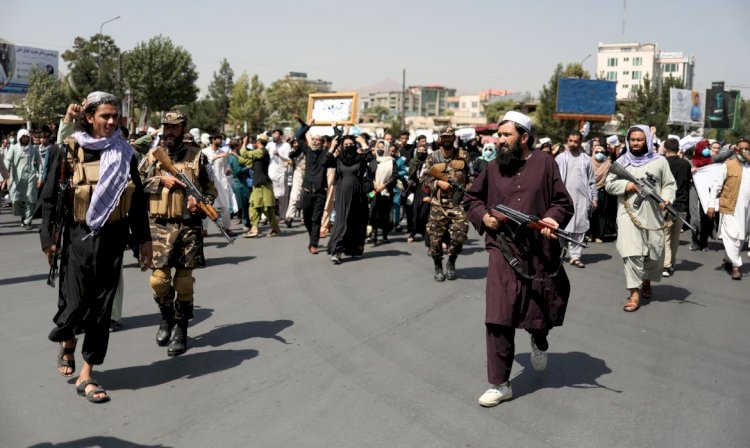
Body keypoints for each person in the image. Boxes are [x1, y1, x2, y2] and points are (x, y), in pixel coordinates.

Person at [40, 92, 152, 403]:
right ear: (90, 117)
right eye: (105, 115)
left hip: (113, 239)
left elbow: (138, 201)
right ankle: (67, 341)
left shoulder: (125, 153)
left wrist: (144, 240)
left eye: (115, 116)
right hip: (78, 238)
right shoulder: (71, 150)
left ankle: (87, 375)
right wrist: (47, 239)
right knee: (74, 306)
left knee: (101, 312)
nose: (112, 121)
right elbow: (51, 198)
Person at [463, 111, 573, 407]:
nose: (500, 140)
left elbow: (562, 202)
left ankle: (539, 339)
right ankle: (500, 384)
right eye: (499, 135)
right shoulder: (491, 167)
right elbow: (471, 199)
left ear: (524, 137)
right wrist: (484, 217)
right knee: (498, 315)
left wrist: (551, 220)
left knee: (538, 311)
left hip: (538, 250)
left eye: (506, 135)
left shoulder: (545, 163)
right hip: (502, 249)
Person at [139, 110, 216, 357]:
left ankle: (181, 330)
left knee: (183, 283)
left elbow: (210, 189)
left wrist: (201, 202)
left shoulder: (198, 158)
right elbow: (134, 184)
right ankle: (166, 317)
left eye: (174, 127)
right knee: (159, 282)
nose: (169, 131)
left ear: (184, 129)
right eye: (166, 127)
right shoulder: (152, 157)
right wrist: (160, 180)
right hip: (158, 227)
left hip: (187, 228)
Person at [605, 125, 676, 312]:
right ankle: (634, 293)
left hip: (653, 214)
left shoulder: (660, 161)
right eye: (632, 139)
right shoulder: (621, 162)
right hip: (627, 214)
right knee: (630, 252)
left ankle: (646, 280)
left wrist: (667, 198)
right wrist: (628, 185)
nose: (635, 143)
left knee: (654, 253)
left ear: (647, 140)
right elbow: (609, 184)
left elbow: (669, 184)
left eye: (639, 139)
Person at [420, 127, 470, 281]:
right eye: (444, 137)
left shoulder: (463, 156)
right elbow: (423, 179)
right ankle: (438, 266)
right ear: (440, 139)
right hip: (438, 205)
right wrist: (438, 184)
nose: (447, 139)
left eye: (450, 136)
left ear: (454, 137)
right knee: (435, 240)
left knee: (460, 235)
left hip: (457, 204)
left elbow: (473, 177)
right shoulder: (432, 157)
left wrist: (466, 191)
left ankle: (451, 262)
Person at [288, 117, 336, 254]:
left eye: (318, 140)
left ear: (322, 143)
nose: (315, 141)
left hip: (320, 192)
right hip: (307, 191)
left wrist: (335, 127)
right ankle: (313, 236)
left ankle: (313, 244)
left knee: (316, 219)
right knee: (307, 218)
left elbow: (337, 140)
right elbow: (298, 136)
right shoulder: (307, 150)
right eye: (313, 139)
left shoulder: (326, 155)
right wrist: (307, 125)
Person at [709, 139, 750, 280]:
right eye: (741, 148)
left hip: (746, 210)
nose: (743, 151)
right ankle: (736, 266)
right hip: (729, 206)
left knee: (739, 238)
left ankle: (728, 259)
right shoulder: (728, 165)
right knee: (731, 235)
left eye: (747, 149)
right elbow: (716, 186)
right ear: (735, 149)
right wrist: (711, 205)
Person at [327, 135, 371, 263]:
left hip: (358, 194)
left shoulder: (360, 158)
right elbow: (326, 162)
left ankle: (354, 249)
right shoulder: (338, 159)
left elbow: (371, 158)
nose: (348, 146)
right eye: (345, 144)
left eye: (350, 143)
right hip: (342, 193)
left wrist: (363, 143)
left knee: (355, 221)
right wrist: (332, 147)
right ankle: (337, 252)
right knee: (342, 221)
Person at [555, 131, 596, 267]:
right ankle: (558, 254)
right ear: (567, 140)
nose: (573, 144)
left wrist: (594, 197)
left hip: (582, 199)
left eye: (576, 141)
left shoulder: (586, 159)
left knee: (580, 227)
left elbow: (591, 181)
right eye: (570, 141)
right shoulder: (560, 158)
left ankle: (575, 256)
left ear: (580, 142)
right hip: (563, 199)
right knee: (561, 227)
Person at [239, 133, 281, 237]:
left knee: (256, 206)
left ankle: (255, 230)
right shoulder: (260, 152)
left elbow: (244, 154)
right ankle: (273, 229)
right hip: (261, 184)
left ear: (258, 142)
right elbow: (246, 160)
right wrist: (235, 155)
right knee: (264, 208)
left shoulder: (261, 152)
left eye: (255, 142)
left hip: (261, 184)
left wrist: (244, 144)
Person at [662, 138, 692, 277]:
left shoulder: (662, 163)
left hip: (666, 203)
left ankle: (666, 265)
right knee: (675, 237)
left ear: (665, 149)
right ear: (678, 148)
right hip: (681, 204)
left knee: (665, 236)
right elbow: (687, 183)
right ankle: (671, 263)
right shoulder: (685, 164)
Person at [5, 129, 42, 229]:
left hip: (31, 176)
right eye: (23, 137)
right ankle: (23, 217)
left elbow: (39, 164)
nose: (25, 139)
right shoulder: (13, 148)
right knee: (17, 199)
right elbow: (7, 161)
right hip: (17, 178)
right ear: (19, 138)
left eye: (27, 137)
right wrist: (4, 175)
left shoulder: (33, 149)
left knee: (30, 199)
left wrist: (40, 178)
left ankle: (28, 221)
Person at [368, 140, 398, 245]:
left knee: (384, 213)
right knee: (373, 212)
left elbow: (394, 176)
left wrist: (384, 185)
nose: (380, 149)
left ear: (386, 148)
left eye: (382, 147)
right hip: (374, 191)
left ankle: (385, 235)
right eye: (378, 147)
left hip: (386, 192)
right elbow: (368, 175)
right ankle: (374, 235)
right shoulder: (373, 161)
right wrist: (374, 183)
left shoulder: (391, 161)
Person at [589, 140, 615, 243]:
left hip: (603, 191)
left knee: (601, 213)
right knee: (591, 213)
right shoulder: (589, 164)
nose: (599, 154)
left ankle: (600, 235)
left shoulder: (608, 164)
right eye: (597, 152)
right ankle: (591, 234)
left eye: (601, 152)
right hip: (590, 190)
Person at [405, 143, 430, 243]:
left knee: (425, 211)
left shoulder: (429, 162)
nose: (421, 152)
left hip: (426, 189)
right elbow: (410, 175)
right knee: (414, 211)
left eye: (423, 150)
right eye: (419, 150)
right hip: (415, 189)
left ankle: (424, 231)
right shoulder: (413, 162)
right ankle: (413, 232)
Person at [227, 137, 252, 233]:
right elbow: (237, 171)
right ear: (236, 146)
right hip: (240, 183)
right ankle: (246, 223)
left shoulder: (237, 154)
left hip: (244, 182)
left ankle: (247, 223)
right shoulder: (233, 157)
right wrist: (248, 167)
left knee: (247, 203)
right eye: (240, 144)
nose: (241, 145)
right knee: (244, 204)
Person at [267, 129, 291, 219]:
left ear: (280, 136)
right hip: (271, 172)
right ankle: (267, 216)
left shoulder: (286, 146)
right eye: (273, 134)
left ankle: (283, 215)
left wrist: (279, 154)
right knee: (270, 194)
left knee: (282, 195)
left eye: (276, 134)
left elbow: (289, 159)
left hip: (282, 172)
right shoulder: (270, 145)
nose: (274, 135)